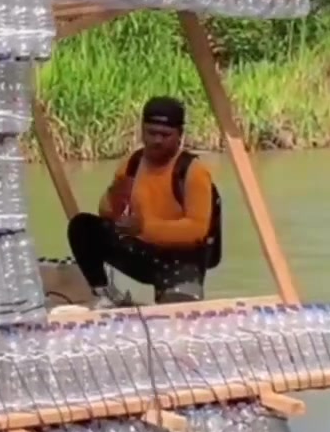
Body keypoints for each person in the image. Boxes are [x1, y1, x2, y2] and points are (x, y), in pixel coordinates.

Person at [67, 96, 219, 308]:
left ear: (180, 136)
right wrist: (115, 196)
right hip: (143, 251)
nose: (157, 140)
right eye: (151, 133)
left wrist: (144, 227)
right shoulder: (132, 163)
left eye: (165, 135)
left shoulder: (194, 172)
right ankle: (105, 294)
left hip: (181, 260)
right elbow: (107, 212)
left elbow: (197, 230)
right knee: (82, 226)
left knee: (178, 315)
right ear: (142, 131)